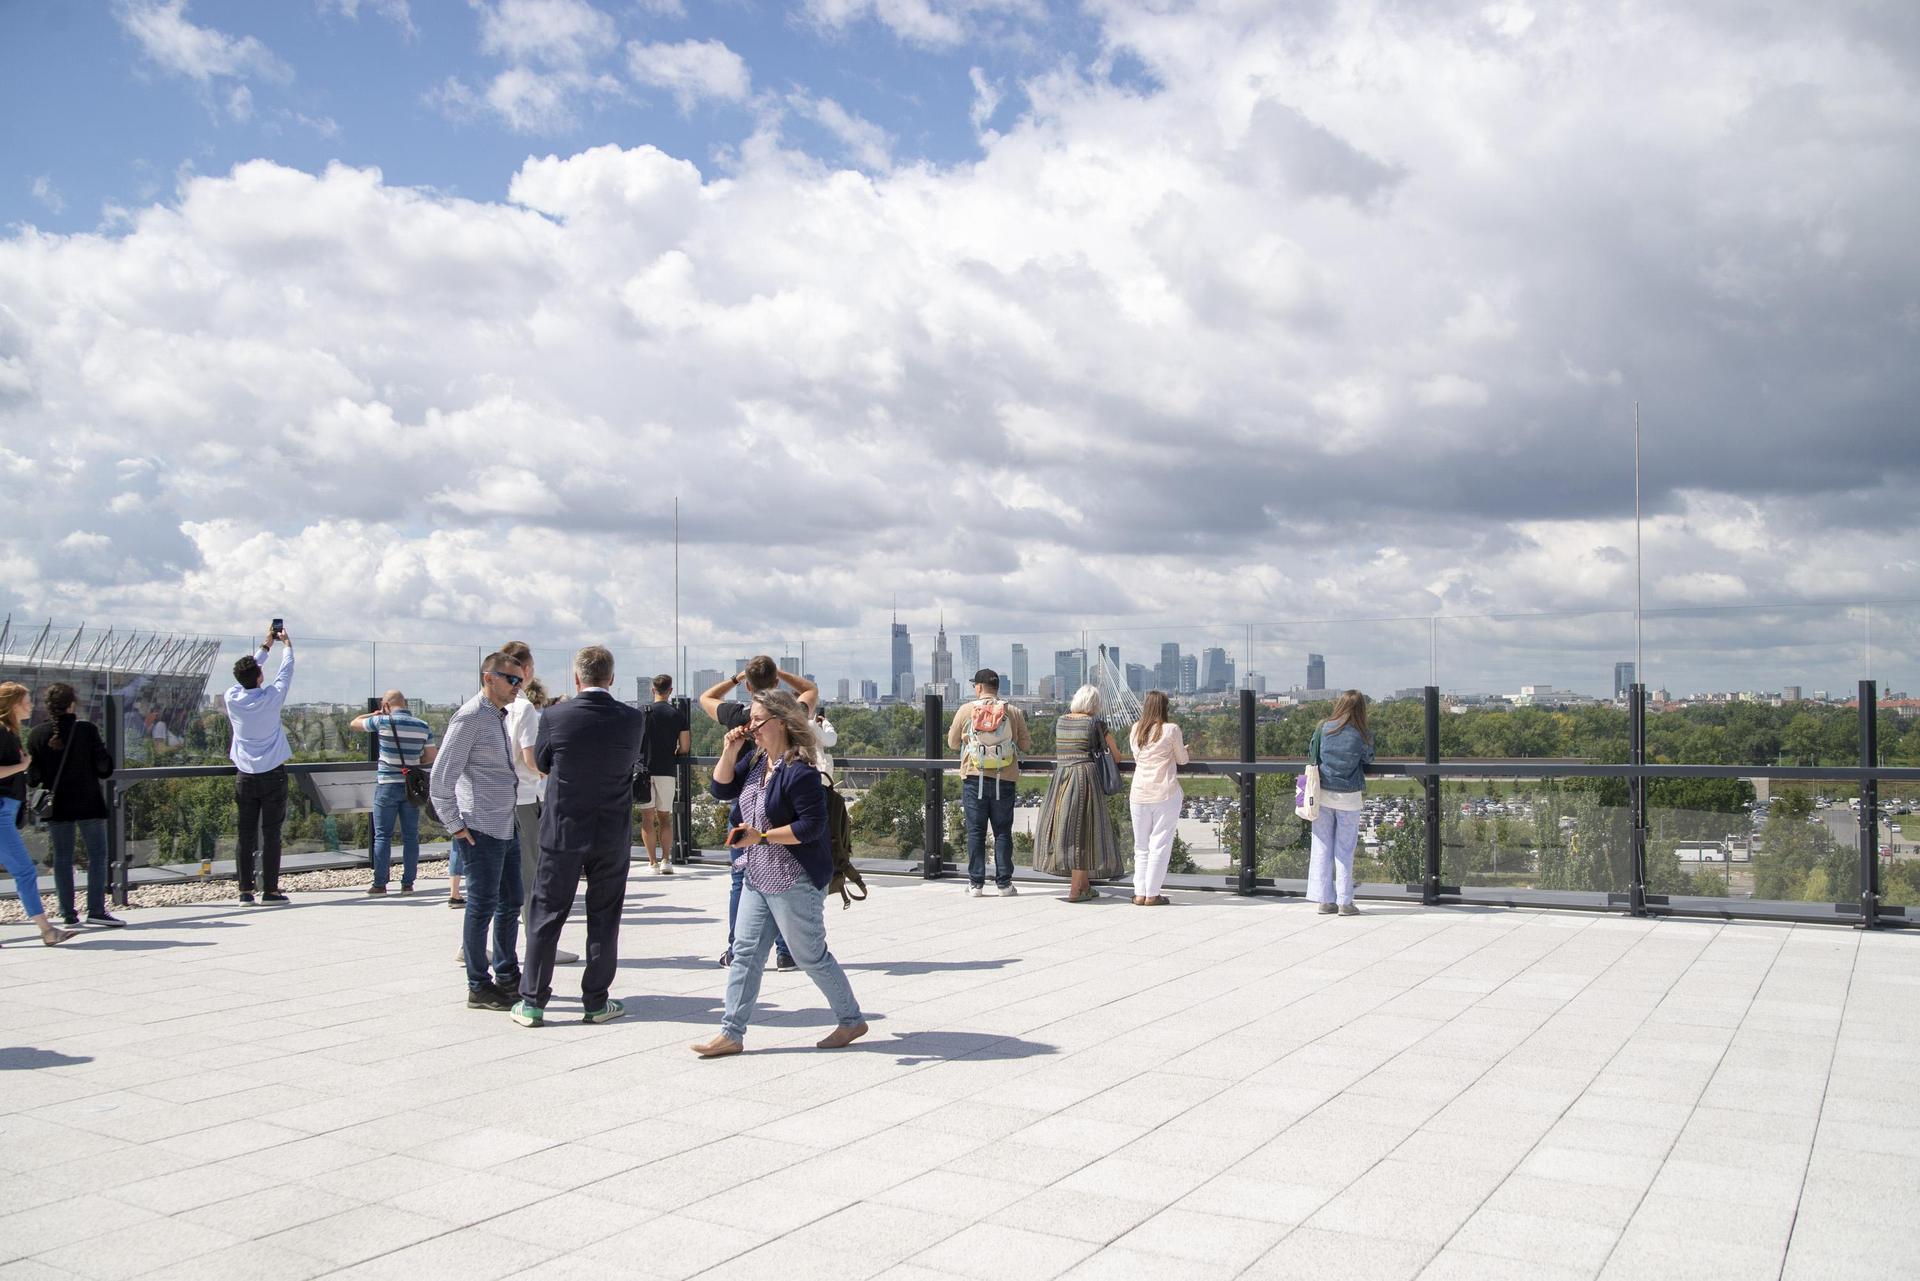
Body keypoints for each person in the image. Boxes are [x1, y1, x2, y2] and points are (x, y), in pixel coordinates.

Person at [692, 690, 867, 1058]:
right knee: (745, 953)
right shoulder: (756, 762)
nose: (750, 726)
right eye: (750, 720)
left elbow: (812, 827)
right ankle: (731, 1033)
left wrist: (764, 836)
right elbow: (720, 788)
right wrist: (728, 750)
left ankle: (851, 1019)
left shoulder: (800, 770)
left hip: (795, 879)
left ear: (781, 723)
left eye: (757, 720)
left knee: (810, 956)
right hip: (757, 875)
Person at [513, 646, 648, 1027]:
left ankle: (533, 1001)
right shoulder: (632, 718)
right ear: (612, 678)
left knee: (547, 912)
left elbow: (539, 762)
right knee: (605, 915)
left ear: (577, 678)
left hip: (564, 827)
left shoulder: (555, 715)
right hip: (611, 830)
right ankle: (596, 1001)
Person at [700, 656, 814, 969]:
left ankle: (737, 949)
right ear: (776, 682)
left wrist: (736, 679)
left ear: (749, 686)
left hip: (747, 805)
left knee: (742, 880)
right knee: (784, 877)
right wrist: (782, 675)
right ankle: (785, 950)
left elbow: (705, 698)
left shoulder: (736, 715)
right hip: (781, 804)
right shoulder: (789, 714)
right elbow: (810, 690)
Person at [431, 651, 526, 1010]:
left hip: (505, 824)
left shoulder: (496, 716)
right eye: (512, 680)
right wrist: (456, 826)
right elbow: (441, 778)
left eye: (520, 680)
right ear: (490, 678)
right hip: (481, 828)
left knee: (510, 903)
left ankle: (506, 973)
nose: (518, 687)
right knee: (483, 907)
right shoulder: (470, 717)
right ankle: (478, 984)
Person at [499, 643, 576, 967]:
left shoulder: (494, 708)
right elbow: (531, 759)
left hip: (497, 800)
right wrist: (554, 768)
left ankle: (474, 944)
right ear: (527, 671)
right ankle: (538, 945)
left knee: (497, 877)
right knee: (532, 877)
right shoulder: (525, 709)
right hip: (525, 799)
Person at [27, 683, 123, 926]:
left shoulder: (37, 734)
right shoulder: (86, 730)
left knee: (62, 858)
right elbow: (105, 769)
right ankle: (96, 911)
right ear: (72, 704)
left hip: (57, 806)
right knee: (97, 855)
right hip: (88, 802)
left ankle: (68, 914)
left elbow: (34, 777)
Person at [1032, 684, 1123, 902]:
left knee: (1066, 830)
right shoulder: (1095, 724)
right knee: (1085, 831)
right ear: (1094, 704)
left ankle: (1083, 886)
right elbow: (1116, 757)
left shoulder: (1061, 721)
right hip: (1084, 780)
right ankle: (1076, 890)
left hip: (1061, 780)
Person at [0, 683, 75, 946]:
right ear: (12, 703)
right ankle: (47, 930)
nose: (31, 705)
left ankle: (48, 930)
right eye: (26, 700)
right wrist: (23, 765)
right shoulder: (1, 731)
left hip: (7, 811)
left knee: (22, 870)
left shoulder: (10, 731)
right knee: (24, 871)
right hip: (1, 812)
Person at [948, 668, 1033, 898]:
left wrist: (968, 737)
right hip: (1004, 778)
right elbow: (1026, 745)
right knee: (1002, 831)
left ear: (978, 687)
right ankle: (1004, 884)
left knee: (975, 832)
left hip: (975, 777)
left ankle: (975, 884)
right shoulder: (1012, 711)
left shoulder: (967, 710)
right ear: (997, 687)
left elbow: (952, 743)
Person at [225, 624, 294, 904]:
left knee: (245, 833)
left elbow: (248, 672)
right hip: (273, 774)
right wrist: (286, 645)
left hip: (245, 775)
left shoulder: (232, 697)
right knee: (271, 833)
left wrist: (265, 647)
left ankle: (244, 890)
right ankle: (271, 889)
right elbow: (286, 671)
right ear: (260, 677)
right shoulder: (272, 697)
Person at [349, 690, 436, 896]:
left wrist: (375, 714)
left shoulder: (383, 722)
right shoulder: (422, 726)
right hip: (411, 788)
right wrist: (413, 762)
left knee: (382, 836)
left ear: (386, 705)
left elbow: (354, 723)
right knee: (411, 836)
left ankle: (380, 884)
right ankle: (408, 883)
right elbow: (431, 755)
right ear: (405, 704)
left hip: (387, 784)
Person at [1308, 690, 1376, 917]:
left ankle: (1325, 900)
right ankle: (1345, 901)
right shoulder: (1362, 734)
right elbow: (1369, 759)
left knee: (1322, 847)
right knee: (1345, 850)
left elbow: (1313, 756)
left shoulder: (1323, 728)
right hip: (1349, 797)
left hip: (1323, 795)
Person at [1127, 690, 1190, 907]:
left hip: (1138, 793)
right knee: (1160, 844)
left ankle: (1139, 893)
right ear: (1164, 707)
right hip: (1165, 792)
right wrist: (1182, 751)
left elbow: (1138, 757)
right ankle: (1152, 894)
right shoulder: (1171, 729)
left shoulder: (1136, 729)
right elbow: (1182, 759)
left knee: (1141, 846)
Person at [638, 675, 690, 874]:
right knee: (665, 818)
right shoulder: (676, 715)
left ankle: (652, 863)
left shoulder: (641, 712)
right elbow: (684, 747)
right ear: (670, 690)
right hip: (667, 770)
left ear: (653, 690)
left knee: (647, 818)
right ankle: (666, 860)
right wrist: (674, 753)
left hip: (643, 772)